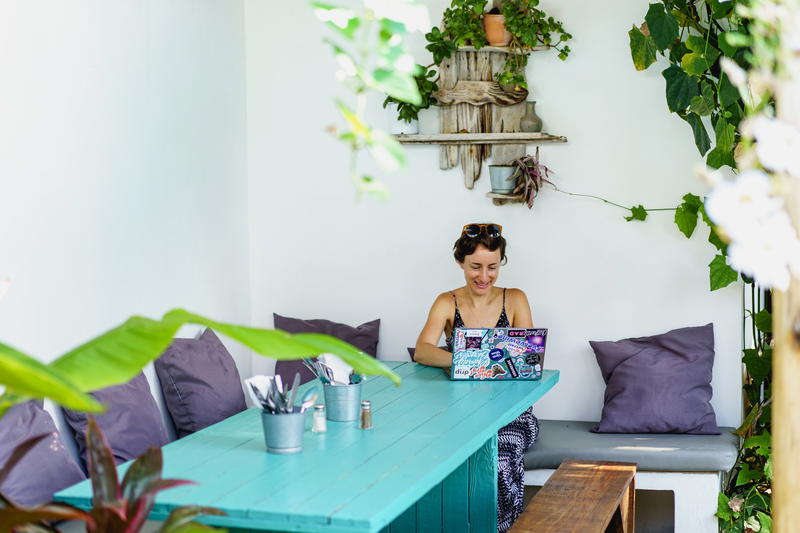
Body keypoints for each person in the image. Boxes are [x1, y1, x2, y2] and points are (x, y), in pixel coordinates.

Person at [414, 222, 539, 533]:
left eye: (492, 267)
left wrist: (469, 364)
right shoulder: (447, 302)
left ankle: (500, 527)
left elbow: (526, 360)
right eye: (475, 267)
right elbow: (422, 350)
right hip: (461, 411)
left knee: (495, 464)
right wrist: (473, 360)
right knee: (438, 461)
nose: (484, 276)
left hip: (511, 413)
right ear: (461, 262)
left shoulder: (515, 299)